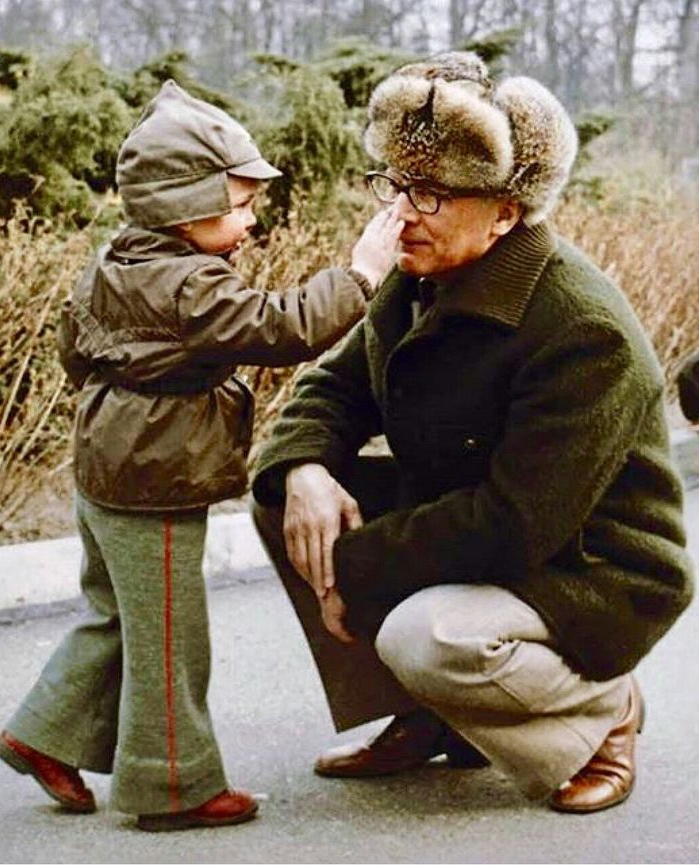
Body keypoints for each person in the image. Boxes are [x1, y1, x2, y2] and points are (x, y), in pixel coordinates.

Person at [251, 52, 694, 814]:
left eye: (430, 193)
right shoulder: (419, 276)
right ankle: (429, 714)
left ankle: (603, 710)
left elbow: (513, 524)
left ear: (506, 214)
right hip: (491, 531)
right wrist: (303, 471)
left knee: (429, 638)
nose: (402, 212)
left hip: (590, 566)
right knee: (287, 503)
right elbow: (334, 386)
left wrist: (353, 569)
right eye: (395, 184)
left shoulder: (581, 329)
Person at [0, 79, 402, 832]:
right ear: (185, 206)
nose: (251, 221)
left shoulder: (117, 258)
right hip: (153, 482)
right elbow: (283, 327)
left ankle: (43, 733)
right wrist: (363, 274)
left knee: (117, 616)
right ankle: (172, 785)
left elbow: (74, 350)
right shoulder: (189, 283)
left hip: (104, 465)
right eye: (238, 205)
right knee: (171, 639)